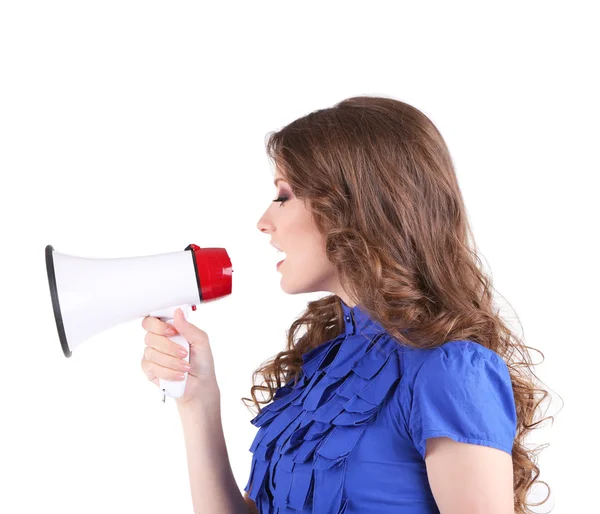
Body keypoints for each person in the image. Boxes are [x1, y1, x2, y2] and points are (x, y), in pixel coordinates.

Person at [140, 96, 551, 514]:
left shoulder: (451, 370)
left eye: (284, 196)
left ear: (353, 205)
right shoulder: (322, 365)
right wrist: (197, 400)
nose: (264, 221)